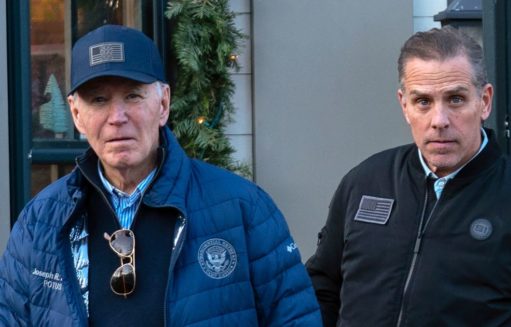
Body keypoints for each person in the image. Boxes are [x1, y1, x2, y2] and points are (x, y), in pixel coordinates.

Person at [0, 24, 322, 326]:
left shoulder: (243, 208)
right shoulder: (41, 222)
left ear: (163, 104)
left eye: (133, 96)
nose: (117, 117)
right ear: (76, 114)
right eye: (99, 99)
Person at [306, 26, 511, 326]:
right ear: (404, 105)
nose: (439, 121)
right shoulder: (364, 182)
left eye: (455, 99)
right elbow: (321, 290)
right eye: (423, 101)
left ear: (485, 101)